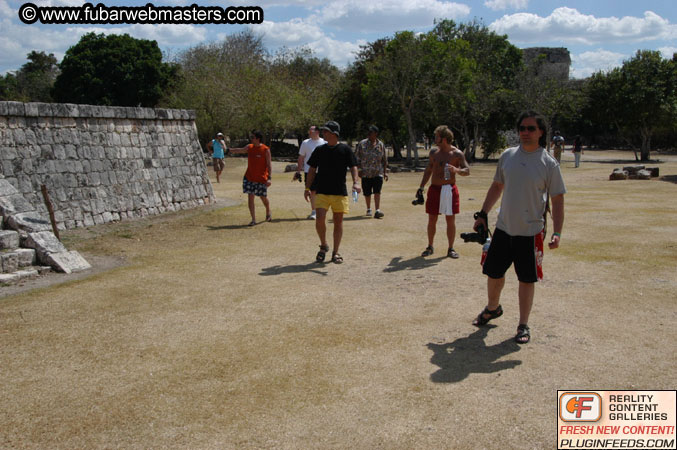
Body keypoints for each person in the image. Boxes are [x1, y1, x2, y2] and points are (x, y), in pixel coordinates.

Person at [472, 111, 566, 344]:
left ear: (541, 132)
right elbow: (497, 186)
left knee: (526, 279)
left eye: (531, 128)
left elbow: (557, 200)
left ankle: (523, 325)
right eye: (522, 128)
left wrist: (557, 232)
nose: (525, 132)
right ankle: (493, 308)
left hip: (530, 233)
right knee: (493, 273)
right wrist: (483, 214)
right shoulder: (508, 156)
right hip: (504, 229)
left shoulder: (549, 164)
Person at [304, 121, 360, 264]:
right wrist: (307, 188)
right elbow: (311, 170)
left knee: (338, 221)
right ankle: (323, 245)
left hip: (339, 192)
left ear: (334, 134)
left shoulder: (345, 150)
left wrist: (356, 182)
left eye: (326, 131)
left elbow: (353, 167)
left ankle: (335, 252)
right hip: (322, 190)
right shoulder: (319, 150)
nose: (324, 134)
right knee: (320, 218)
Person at [417, 125, 470, 259]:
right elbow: (429, 170)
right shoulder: (434, 153)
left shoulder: (457, 154)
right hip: (434, 189)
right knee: (432, 218)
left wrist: (456, 170)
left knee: (450, 219)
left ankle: (451, 248)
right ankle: (430, 246)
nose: (435, 139)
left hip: (449, 190)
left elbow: (467, 171)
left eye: (437, 137)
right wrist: (421, 187)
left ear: (444, 139)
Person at [229, 131, 272, 226]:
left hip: (261, 178)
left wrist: (269, 178)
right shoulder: (249, 147)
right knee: (250, 196)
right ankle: (253, 219)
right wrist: (230, 150)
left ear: (258, 138)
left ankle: (268, 211)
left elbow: (269, 165)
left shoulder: (265, 149)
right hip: (249, 177)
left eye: (253, 137)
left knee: (263, 197)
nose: (251, 139)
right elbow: (240, 150)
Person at [355, 125, 388, 218]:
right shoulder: (362, 144)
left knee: (377, 191)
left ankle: (377, 210)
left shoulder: (381, 144)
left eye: (371, 132)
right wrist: (360, 170)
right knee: (367, 192)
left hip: (378, 172)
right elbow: (357, 158)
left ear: (376, 134)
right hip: (366, 173)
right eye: (368, 132)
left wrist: (385, 172)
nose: (369, 134)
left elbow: (384, 159)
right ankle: (368, 208)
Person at [296, 125, 326, 220]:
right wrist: (298, 171)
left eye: (311, 131)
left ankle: (321, 210)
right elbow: (301, 157)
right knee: (312, 191)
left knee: (321, 192)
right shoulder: (305, 143)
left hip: (322, 171)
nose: (309, 132)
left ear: (317, 132)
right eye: (309, 131)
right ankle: (314, 211)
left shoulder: (324, 142)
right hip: (309, 171)